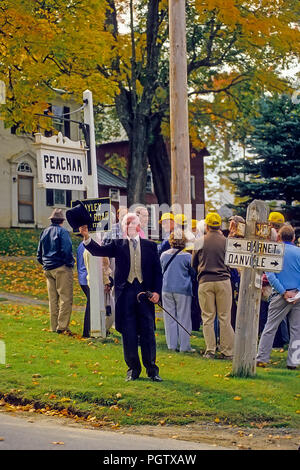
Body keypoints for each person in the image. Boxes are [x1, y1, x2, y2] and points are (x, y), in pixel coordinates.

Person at [79, 213, 163, 382]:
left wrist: (156, 292)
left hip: (145, 294)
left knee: (147, 332)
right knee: (128, 332)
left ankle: (152, 370)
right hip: (125, 294)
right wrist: (86, 237)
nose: (127, 228)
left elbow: (157, 272)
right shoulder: (117, 244)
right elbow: (98, 250)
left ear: (138, 227)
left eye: (130, 225)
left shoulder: (150, 246)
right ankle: (133, 370)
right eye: (125, 225)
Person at [256, 224, 300, 370]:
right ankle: (293, 362)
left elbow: (270, 275)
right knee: (296, 329)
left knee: (270, 326)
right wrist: (297, 292)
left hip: (279, 295)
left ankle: (262, 358)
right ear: (293, 237)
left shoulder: (274, 252)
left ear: (279, 237)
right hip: (298, 295)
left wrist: (283, 291)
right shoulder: (298, 252)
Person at [192, 212, 234, 360]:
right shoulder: (227, 241)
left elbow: (193, 263)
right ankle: (227, 351)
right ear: (219, 225)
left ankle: (210, 350)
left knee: (208, 317)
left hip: (205, 281)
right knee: (224, 317)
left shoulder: (200, 241)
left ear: (207, 226)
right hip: (223, 281)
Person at [37, 208, 74, 334]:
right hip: (61, 268)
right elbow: (67, 250)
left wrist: (45, 264)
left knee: (53, 299)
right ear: (62, 221)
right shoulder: (63, 232)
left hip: (48, 269)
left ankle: (54, 326)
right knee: (65, 298)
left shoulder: (44, 232)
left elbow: (39, 254)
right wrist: (69, 264)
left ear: (51, 220)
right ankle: (62, 327)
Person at [160, 230, 195, 352]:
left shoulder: (164, 255)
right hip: (183, 289)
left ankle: (172, 345)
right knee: (184, 317)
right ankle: (185, 346)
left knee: (169, 317)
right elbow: (192, 273)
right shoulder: (188, 257)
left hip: (166, 288)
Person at [76, 240, 90, 337]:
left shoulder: (81, 245)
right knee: (92, 304)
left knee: (92, 303)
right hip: (87, 277)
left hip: (82, 277)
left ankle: (89, 330)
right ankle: (87, 332)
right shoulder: (87, 244)